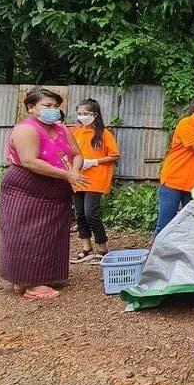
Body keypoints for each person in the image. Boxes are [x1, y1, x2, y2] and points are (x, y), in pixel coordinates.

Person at [0, 88, 86, 300]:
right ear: (31, 108)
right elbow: (30, 161)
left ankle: (40, 277)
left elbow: (77, 154)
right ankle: (31, 284)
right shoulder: (25, 130)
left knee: (51, 235)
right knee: (28, 235)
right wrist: (67, 175)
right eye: (47, 106)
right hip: (27, 188)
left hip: (55, 190)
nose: (53, 110)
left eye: (56, 106)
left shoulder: (61, 128)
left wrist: (74, 170)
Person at [155, 90, 194, 235]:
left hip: (193, 184)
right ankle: (154, 257)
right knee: (165, 224)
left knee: (189, 225)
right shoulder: (187, 124)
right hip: (174, 180)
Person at [71, 99, 120, 263]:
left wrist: (94, 162)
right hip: (78, 178)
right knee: (79, 214)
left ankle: (102, 247)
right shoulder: (76, 133)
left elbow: (114, 155)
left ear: (95, 115)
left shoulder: (104, 134)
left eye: (86, 113)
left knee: (91, 213)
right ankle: (86, 247)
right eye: (79, 113)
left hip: (96, 179)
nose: (82, 117)